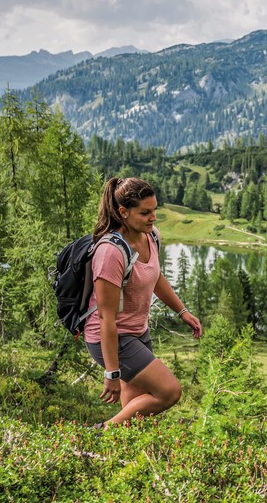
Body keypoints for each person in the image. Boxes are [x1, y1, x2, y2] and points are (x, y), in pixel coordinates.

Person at [83, 177, 202, 428]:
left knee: (133, 411)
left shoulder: (151, 236)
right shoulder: (110, 253)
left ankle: (117, 452)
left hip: (138, 332)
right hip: (113, 338)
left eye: (155, 210)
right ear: (123, 212)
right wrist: (112, 373)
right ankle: (101, 431)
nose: (153, 218)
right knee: (169, 391)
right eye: (145, 212)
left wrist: (182, 311)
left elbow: (154, 275)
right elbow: (106, 318)